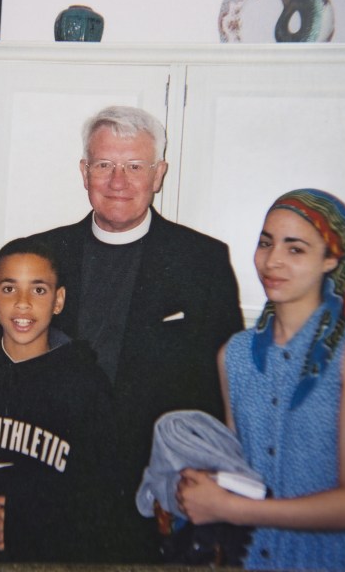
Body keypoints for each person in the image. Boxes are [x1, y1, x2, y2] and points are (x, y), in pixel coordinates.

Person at [28, 105, 243, 559]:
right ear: (84, 172)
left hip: (156, 496)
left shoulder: (202, 262)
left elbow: (229, 392)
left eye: (134, 166)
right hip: (52, 491)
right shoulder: (43, 255)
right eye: (104, 165)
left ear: (159, 174)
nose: (118, 181)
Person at [175, 188, 345, 571]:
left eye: (296, 249)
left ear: (331, 259)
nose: (272, 261)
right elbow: (238, 468)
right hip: (252, 558)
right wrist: (201, 482)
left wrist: (231, 508)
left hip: (333, 561)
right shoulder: (235, 355)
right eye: (265, 243)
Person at [0, 237, 120, 562]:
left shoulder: (85, 383)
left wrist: (22, 519)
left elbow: (99, 495)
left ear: (59, 301)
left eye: (39, 290)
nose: (23, 303)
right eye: (9, 289)